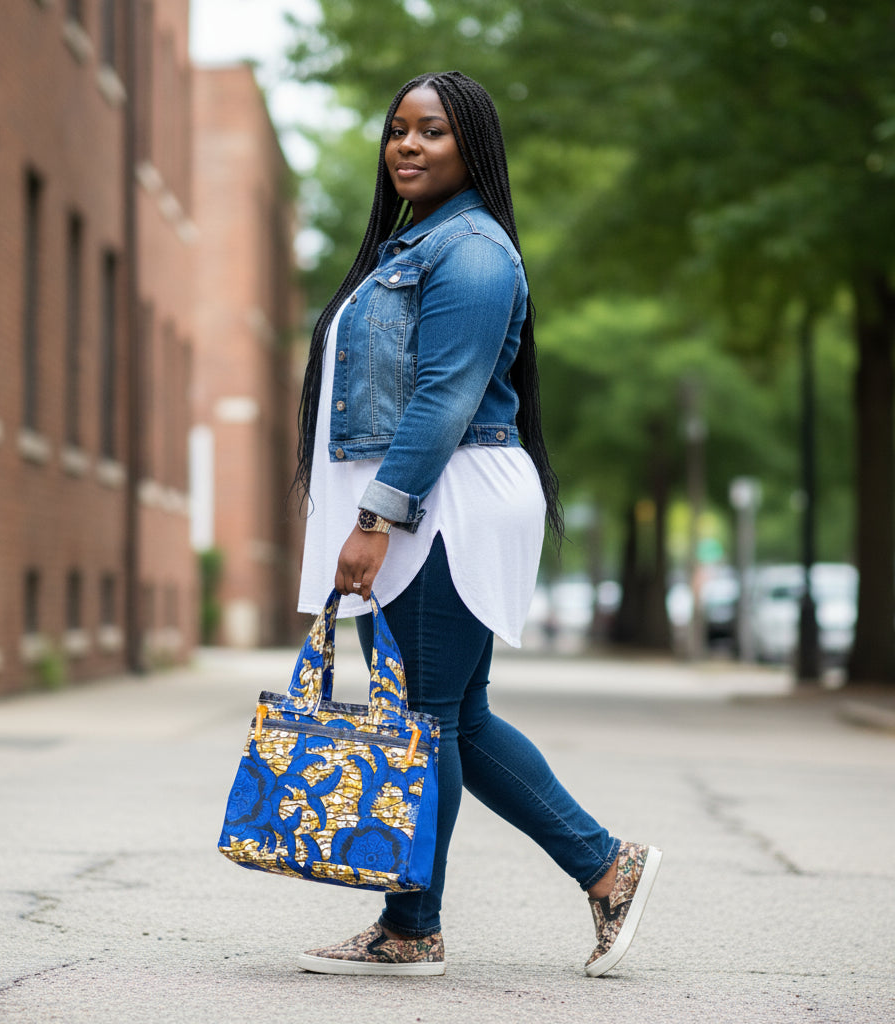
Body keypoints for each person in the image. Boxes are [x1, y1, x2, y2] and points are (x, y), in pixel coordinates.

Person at [293, 70, 661, 977]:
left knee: (423, 716)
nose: (409, 145)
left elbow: (446, 396)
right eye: (399, 129)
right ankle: (606, 865)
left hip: (442, 504)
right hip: (430, 499)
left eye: (434, 132)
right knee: (456, 713)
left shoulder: (475, 252)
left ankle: (413, 926)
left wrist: (377, 516)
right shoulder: (415, 242)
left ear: (473, 149)